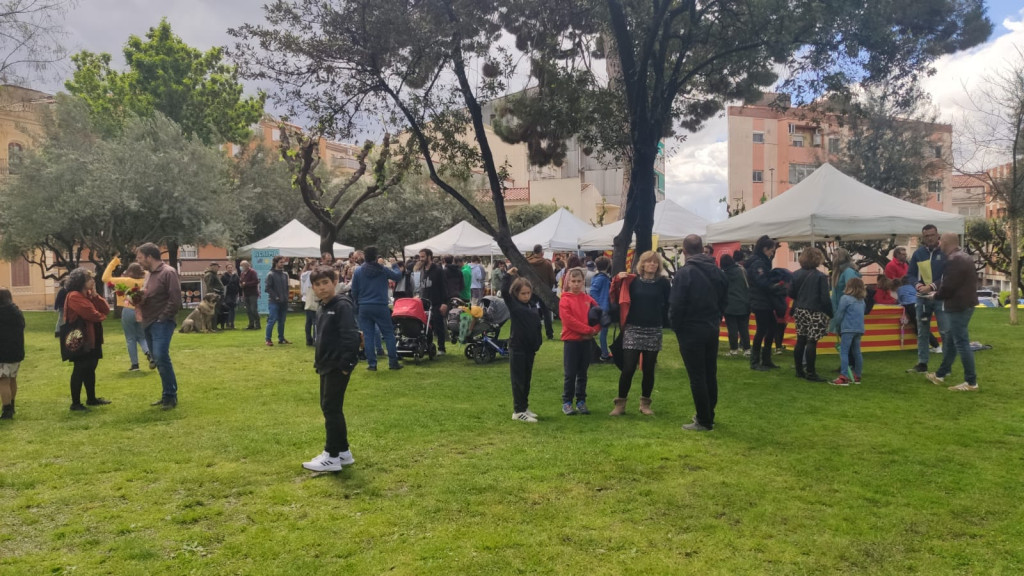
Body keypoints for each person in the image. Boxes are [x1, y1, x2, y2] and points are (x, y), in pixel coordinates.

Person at [302, 266, 362, 472]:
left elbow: (351, 336)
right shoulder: (322, 306)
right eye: (317, 285)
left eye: (325, 283)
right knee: (330, 408)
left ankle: (331, 456)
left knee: (331, 408)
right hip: (325, 365)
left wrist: (346, 366)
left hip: (337, 366)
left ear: (334, 282)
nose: (322, 288)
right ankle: (343, 452)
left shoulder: (341, 305)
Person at [671, 235, 729, 432]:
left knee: (697, 376)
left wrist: (676, 326)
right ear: (703, 248)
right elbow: (724, 300)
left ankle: (704, 419)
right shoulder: (718, 271)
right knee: (709, 373)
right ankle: (708, 413)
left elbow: (677, 304)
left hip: (690, 328)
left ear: (684, 251)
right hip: (711, 326)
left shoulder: (684, 273)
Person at [609, 251, 671, 416]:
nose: (652, 264)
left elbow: (669, 303)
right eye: (649, 262)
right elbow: (615, 296)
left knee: (649, 369)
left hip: (653, 329)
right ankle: (620, 403)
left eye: (655, 262)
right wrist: (616, 279)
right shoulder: (632, 281)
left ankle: (645, 403)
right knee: (628, 368)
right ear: (642, 264)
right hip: (633, 328)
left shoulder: (663, 283)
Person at [926, 233, 980, 391]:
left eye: (940, 240)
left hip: (957, 306)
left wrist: (935, 295)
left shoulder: (953, 260)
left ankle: (971, 382)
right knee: (950, 340)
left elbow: (949, 286)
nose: (939, 243)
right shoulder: (965, 257)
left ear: (946, 242)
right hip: (966, 304)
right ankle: (941, 374)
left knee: (961, 343)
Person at [136, 243, 182, 409]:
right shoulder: (148, 275)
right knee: (157, 358)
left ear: (149, 257)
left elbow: (175, 299)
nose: (138, 261)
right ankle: (166, 394)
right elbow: (147, 294)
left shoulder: (168, 272)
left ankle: (171, 396)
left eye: (140, 258)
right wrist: (137, 297)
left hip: (161, 322)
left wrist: (162, 318)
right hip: (148, 321)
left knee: (161, 356)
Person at [62, 269, 112, 411]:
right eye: (90, 278)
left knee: (91, 367)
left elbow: (105, 309)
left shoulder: (89, 295)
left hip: (92, 337)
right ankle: (75, 403)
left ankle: (91, 398)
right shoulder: (74, 296)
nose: (93, 281)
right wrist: (101, 316)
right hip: (81, 339)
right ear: (81, 281)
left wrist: (95, 295)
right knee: (80, 368)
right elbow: (92, 314)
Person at [350, 245, 404, 371]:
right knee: (388, 334)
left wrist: (358, 302)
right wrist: (395, 265)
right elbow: (397, 276)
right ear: (376, 257)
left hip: (364, 306)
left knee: (368, 336)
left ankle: (372, 364)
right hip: (380, 305)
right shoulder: (382, 270)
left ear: (364, 256)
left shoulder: (358, 271)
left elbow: (354, 290)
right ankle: (393, 362)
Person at [501, 268, 544, 422]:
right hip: (517, 347)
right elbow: (504, 291)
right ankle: (518, 411)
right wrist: (508, 275)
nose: (526, 296)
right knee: (518, 380)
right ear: (516, 294)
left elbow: (536, 325)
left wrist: (538, 342)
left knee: (526, 379)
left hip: (530, 348)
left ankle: (524, 406)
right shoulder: (514, 305)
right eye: (523, 294)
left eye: (528, 293)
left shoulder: (531, 305)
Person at [559, 267, 601, 416]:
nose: (576, 284)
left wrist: (595, 329)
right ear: (568, 282)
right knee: (570, 373)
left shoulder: (588, 299)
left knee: (583, 372)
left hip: (586, 341)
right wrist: (588, 331)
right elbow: (569, 321)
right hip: (571, 341)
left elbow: (599, 315)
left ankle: (581, 401)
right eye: (573, 281)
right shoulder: (565, 299)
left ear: (583, 282)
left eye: (579, 281)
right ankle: (567, 402)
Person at [906, 224, 947, 373]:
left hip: (941, 298)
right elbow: (910, 274)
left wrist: (932, 287)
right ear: (923, 238)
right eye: (926, 236)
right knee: (922, 331)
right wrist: (918, 286)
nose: (929, 238)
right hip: (922, 298)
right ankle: (922, 363)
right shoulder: (918, 254)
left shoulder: (945, 253)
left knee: (945, 331)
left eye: (932, 235)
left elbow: (948, 276)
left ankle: (945, 366)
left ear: (937, 235)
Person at [789, 247, 833, 382]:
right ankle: (811, 372)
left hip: (800, 309)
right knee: (812, 341)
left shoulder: (795, 274)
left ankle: (799, 370)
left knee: (800, 340)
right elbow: (825, 299)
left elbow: (791, 293)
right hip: (815, 310)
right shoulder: (820, 276)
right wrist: (831, 313)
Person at [102, 256, 152, 371]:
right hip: (142, 311)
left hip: (128, 309)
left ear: (130, 272)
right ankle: (149, 353)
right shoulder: (145, 280)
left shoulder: (127, 281)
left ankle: (135, 365)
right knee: (142, 336)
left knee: (130, 338)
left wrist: (114, 262)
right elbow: (147, 272)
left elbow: (105, 278)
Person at [746, 235, 785, 371]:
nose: (772, 253)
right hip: (760, 301)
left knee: (771, 328)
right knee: (762, 330)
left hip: (763, 301)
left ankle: (765, 359)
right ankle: (755, 361)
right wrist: (775, 286)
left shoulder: (761, 261)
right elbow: (761, 282)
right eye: (771, 250)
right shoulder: (758, 263)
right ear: (764, 248)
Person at [828, 248, 862, 375]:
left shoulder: (848, 272)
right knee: (847, 343)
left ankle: (851, 367)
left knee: (850, 345)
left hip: (847, 313)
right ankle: (848, 365)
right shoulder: (840, 272)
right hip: (840, 311)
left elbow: (852, 290)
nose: (833, 259)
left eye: (835, 256)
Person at [832, 277, 866, 386]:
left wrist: (835, 325)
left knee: (844, 352)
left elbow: (840, 314)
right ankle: (857, 375)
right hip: (859, 328)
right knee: (857, 352)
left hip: (847, 328)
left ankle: (844, 376)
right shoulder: (862, 301)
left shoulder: (845, 298)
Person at [418, 248, 449, 355]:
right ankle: (428, 346)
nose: (421, 259)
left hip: (436, 302)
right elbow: (422, 286)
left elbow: (444, 287)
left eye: (423, 256)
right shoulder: (422, 270)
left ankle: (441, 348)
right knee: (426, 326)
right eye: (420, 257)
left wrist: (444, 303)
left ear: (429, 256)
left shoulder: (438, 270)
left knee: (438, 325)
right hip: (424, 303)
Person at [0, 288, 25, 420]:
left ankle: (6, 409)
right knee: (12, 379)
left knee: (3, 380)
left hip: (3, 353)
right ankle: (12, 405)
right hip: (16, 352)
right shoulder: (17, 312)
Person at [720, 253, 751, 357]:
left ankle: (734, 350)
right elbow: (748, 285)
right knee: (744, 328)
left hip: (729, 305)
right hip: (744, 303)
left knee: (732, 329)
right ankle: (747, 349)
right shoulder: (742, 270)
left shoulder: (723, 274)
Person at [527, 245, 557, 339]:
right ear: (541, 252)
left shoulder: (527, 262)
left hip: (531, 289)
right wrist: (549, 287)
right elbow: (552, 278)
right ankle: (549, 334)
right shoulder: (547, 263)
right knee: (546, 312)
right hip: (544, 289)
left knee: (531, 309)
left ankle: (532, 331)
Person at [589, 256, 613, 362]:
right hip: (603, 308)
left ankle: (603, 352)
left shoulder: (599, 277)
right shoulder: (602, 278)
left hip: (601, 307)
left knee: (601, 332)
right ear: (608, 265)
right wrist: (599, 304)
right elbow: (593, 291)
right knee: (603, 332)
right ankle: (604, 354)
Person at [264, 255, 292, 346]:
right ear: (276, 263)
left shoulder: (285, 274)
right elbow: (267, 288)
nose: (282, 264)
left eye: (283, 262)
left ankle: (281, 338)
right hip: (274, 302)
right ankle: (268, 339)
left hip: (284, 301)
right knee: (272, 320)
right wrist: (276, 297)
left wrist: (287, 297)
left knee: (282, 321)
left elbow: (287, 287)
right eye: (281, 262)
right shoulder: (270, 274)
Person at [238, 260, 261, 330]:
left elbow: (256, 281)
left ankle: (257, 325)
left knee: (253, 309)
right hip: (246, 294)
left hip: (253, 294)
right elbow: (241, 281)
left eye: (242, 265)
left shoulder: (252, 272)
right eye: (240, 265)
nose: (241, 267)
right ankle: (251, 325)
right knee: (248, 310)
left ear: (247, 266)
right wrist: (241, 284)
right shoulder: (242, 273)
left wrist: (246, 284)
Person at [300, 260, 317, 346]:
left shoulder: (304, 274)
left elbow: (302, 273)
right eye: (316, 265)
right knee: (314, 320)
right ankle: (315, 339)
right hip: (312, 298)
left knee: (308, 321)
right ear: (311, 266)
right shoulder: (313, 274)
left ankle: (308, 339)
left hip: (305, 298)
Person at [220, 263, 240, 330]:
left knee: (233, 309)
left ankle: (232, 323)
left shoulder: (235, 276)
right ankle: (227, 323)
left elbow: (238, 284)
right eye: (228, 268)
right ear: (226, 269)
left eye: (231, 268)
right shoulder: (223, 276)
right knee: (227, 309)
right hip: (227, 295)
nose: (230, 269)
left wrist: (238, 293)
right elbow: (223, 284)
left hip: (234, 295)